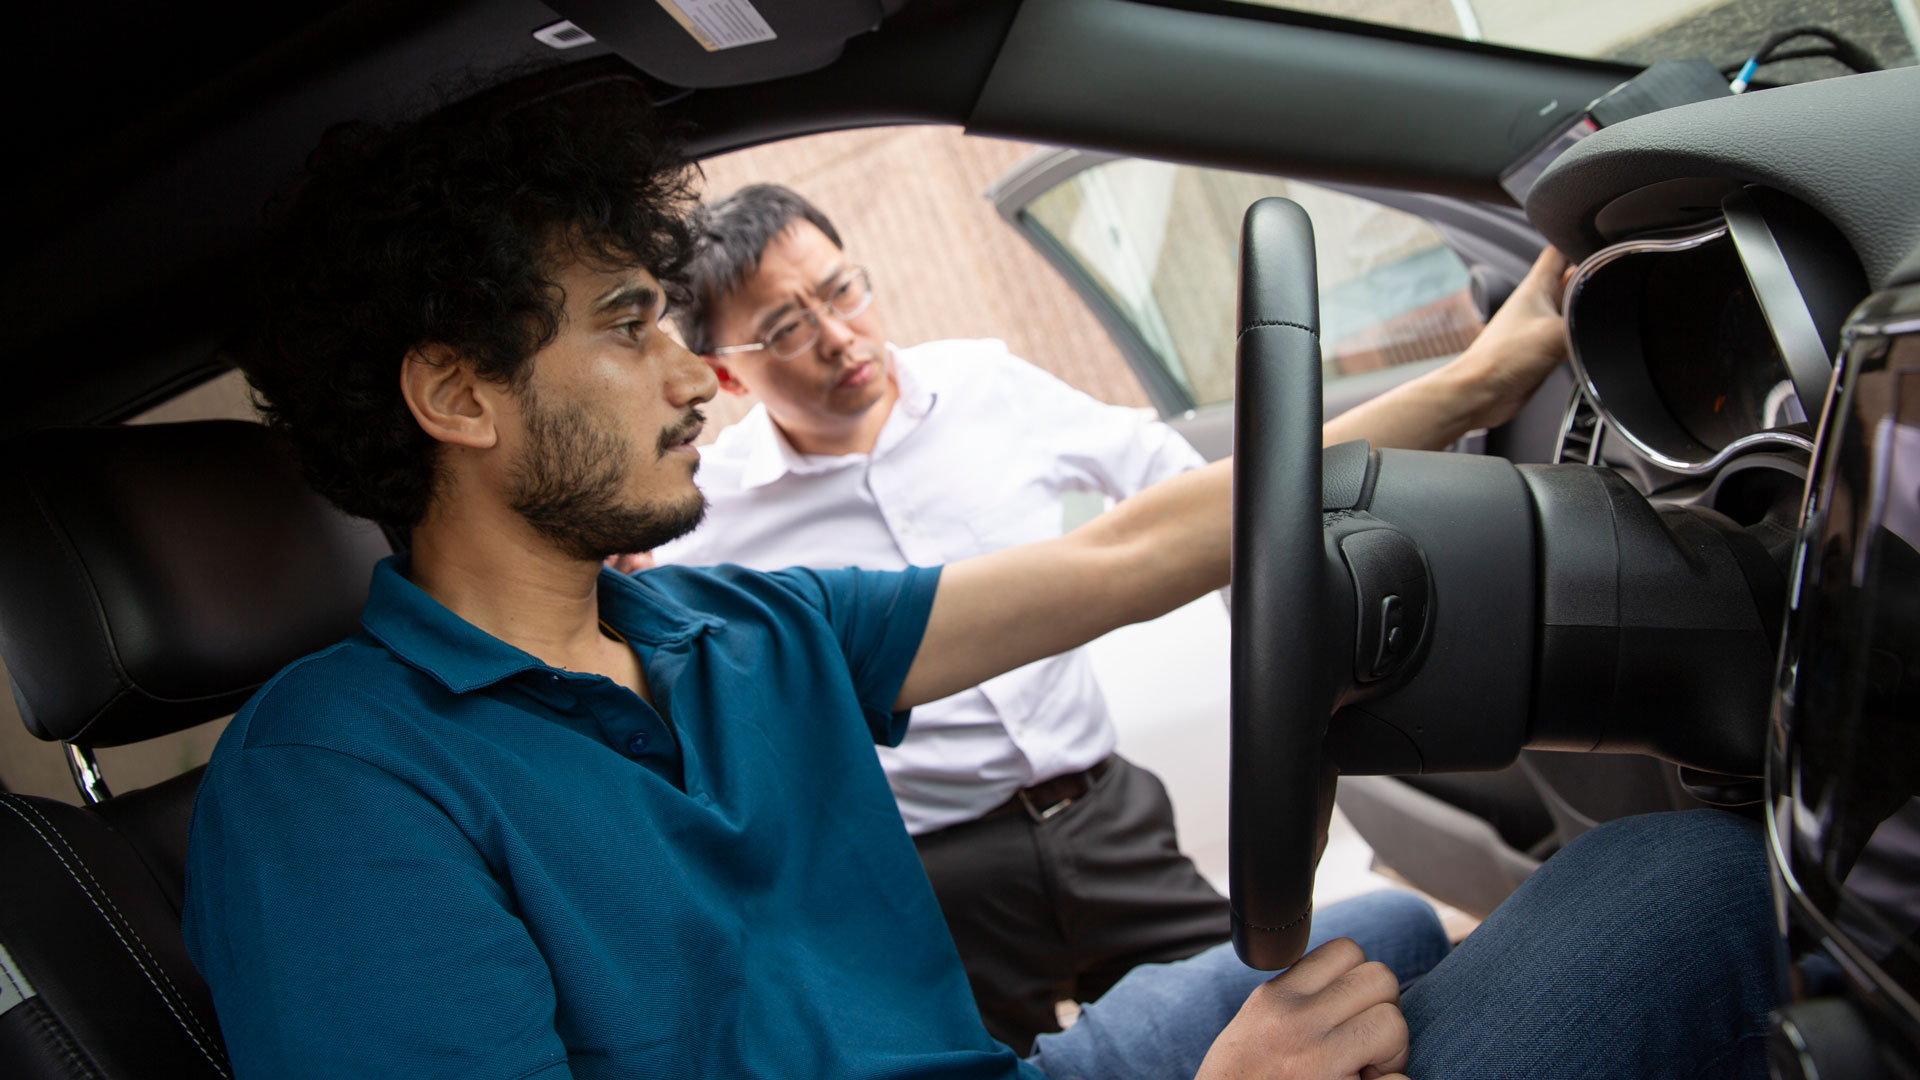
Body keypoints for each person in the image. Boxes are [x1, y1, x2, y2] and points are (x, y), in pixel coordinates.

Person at [181, 72, 1779, 1080]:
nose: (698, 380)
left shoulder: (731, 625)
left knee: (1383, 932)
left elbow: (1130, 550)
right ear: (456, 396)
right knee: (1691, 879)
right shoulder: (333, 781)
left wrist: (1469, 379)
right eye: (627, 325)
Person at [648, 183, 1573, 1049]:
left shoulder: (985, 386)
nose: (839, 335)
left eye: (842, 290)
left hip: (1104, 814)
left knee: (1278, 1016)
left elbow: (1193, 495)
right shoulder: (708, 525)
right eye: (784, 328)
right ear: (724, 376)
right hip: (932, 876)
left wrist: (1471, 392)